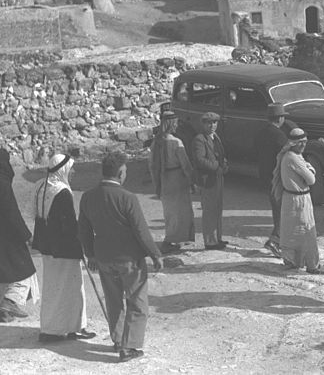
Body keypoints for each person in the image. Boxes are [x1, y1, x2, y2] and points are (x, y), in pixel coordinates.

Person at [78, 151, 163, 363]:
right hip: (129, 258)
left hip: (104, 257)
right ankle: (130, 346)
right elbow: (141, 231)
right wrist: (155, 254)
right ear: (120, 172)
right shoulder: (127, 198)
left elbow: (84, 230)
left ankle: (118, 340)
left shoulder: (88, 197)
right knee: (137, 302)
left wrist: (90, 255)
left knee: (114, 301)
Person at [32, 154, 95, 342]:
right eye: (71, 168)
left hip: (46, 246)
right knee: (73, 287)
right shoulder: (62, 192)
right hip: (63, 248)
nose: (73, 172)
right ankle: (72, 327)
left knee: (53, 287)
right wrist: (80, 246)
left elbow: (36, 215)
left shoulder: (40, 186)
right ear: (63, 169)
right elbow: (68, 225)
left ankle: (54, 328)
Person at [272, 128, 321, 273]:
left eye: (305, 142)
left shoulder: (294, 156)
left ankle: (295, 261)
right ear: (293, 143)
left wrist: (308, 168)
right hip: (298, 200)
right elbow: (311, 179)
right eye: (300, 143)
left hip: (294, 198)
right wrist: (310, 169)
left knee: (292, 231)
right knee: (305, 232)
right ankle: (311, 265)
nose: (303, 145)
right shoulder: (292, 157)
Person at [0, 147, 39, 324]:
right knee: (24, 272)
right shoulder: (2, 183)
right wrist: (27, 235)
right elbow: (11, 212)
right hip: (7, 237)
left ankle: (4, 312)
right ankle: (10, 303)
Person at [149, 111, 195, 254]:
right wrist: (192, 180)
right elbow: (185, 165)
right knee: (182, 211)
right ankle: (170, 241)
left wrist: (156, 182)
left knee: (170, 212)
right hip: (177, 179)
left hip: (164, 179)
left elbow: (152, 165)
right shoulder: (176, 142)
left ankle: (177, 238)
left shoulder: (156, 142)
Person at [255, 103, 291, 256]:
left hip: (265, 176)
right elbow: (286, 156)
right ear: (280, 118)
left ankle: (276, 239)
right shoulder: (279, 135)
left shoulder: (262, 133)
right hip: (277, 178)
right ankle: (275, 241)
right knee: (282, 211)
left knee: (277, 210)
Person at [192, 111, 229, 250]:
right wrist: (216, 166)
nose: (212, 125)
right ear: (203, 124)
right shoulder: (199, 139)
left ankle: (217, 238)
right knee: (209, 211)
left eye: (214, 122)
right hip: (208, 180)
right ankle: (210, 241)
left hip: (218, 178)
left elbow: (221, 155)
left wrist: (224, 165)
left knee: (217, 209)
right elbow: (200, 160)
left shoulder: (215, 137)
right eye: (209, 123)